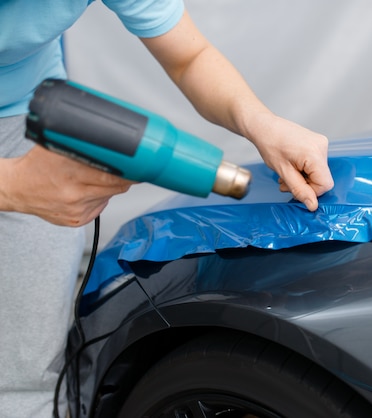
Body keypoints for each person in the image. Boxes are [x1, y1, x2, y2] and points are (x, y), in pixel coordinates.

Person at [0, 1, 334, 417]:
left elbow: (189, 57)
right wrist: (10, 186)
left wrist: (259, 121)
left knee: (23, 367)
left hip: (21, 114)